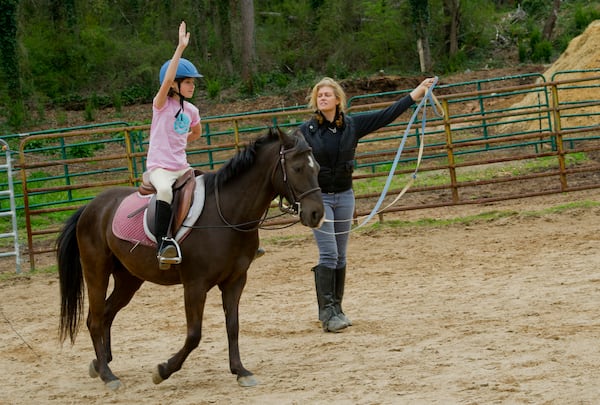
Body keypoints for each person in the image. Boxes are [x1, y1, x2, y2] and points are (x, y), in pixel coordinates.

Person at [299, 76, 435, 332]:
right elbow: (290, 162)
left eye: (327, 94)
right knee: (328, 253)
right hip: (320, 198)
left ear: (338, 100)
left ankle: (337, 308)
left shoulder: (352, 125)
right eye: (319, 95)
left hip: (345, 195)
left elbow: (387, 114)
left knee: (340, 255)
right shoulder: (305, 132)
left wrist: (416, 93)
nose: (323, 98)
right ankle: (327, 314)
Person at [146, 21, 202, 268]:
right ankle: (163, 244)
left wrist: (181, 141)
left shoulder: (191, 110)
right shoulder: (161, 105)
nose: (193, 86)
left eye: (193, 82)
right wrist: (180, 48)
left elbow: (197, 132)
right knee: (166, 192)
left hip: (181, 166)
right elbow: (167, 79)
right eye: (188, 82)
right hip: (159, 168)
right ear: (175, 85)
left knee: (207, 188)